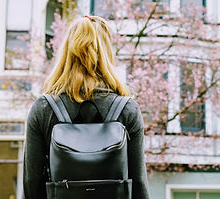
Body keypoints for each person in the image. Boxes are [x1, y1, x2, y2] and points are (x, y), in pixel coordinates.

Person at [23, 15, 150, 199]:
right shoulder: (127, 109)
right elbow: (138, 184)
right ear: (106, 53)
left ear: (66, 52)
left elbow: (31, 184)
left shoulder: (43, 109)